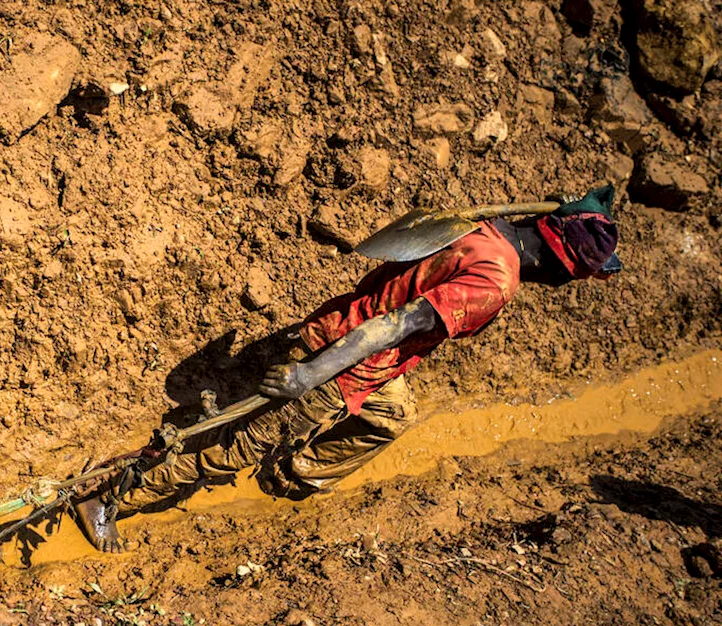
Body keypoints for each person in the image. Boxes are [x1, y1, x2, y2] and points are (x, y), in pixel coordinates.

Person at [75, 186, 623, 552]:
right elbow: (402, 324)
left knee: (394, 414)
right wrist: (311, 376)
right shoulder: (496, 281)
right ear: (561, 265)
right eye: (575, 277)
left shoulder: (484, 228)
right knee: (230, 451)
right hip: (347, 362)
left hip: (348, 334)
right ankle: (108, 500)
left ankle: (299, 471)